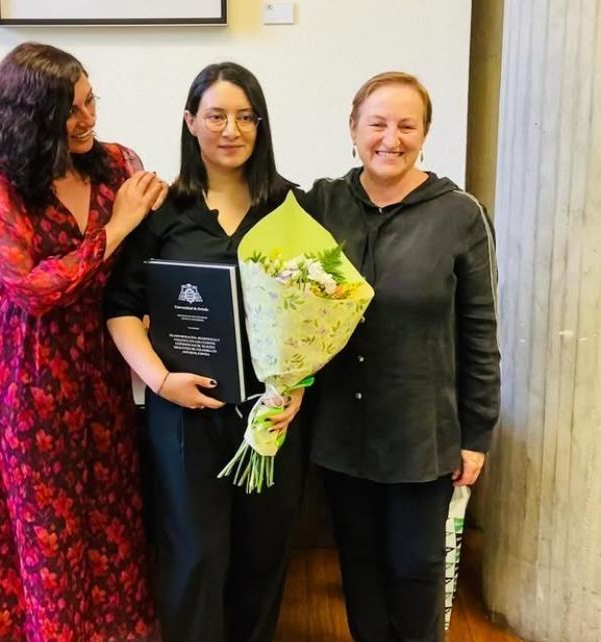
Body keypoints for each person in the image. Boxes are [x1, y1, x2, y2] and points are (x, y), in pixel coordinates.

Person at [0, 42, 166, 641]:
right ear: (30, 115)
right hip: (30, 376)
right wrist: (119, 225)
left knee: (111, 523)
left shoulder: (118, 164)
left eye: (90, 100)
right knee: (46, 531)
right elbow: (32, 289)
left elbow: (155, 258)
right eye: (69, 110)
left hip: (104, 367)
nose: (88, 119)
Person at [104, 62, 305, 642]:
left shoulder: (293, 208)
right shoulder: (162, 212)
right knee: (193, 556)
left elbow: (321, 312)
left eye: (245, 117)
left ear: (260, 126)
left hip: (273, 415)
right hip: (184, 415)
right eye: (216, 115)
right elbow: (119, 308)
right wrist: (163, 382)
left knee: (262, 557)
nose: (231, 129)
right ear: (191, 122)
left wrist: (297, 388)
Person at [304, 71, 500, 642]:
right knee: (359, 569)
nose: (391, 138)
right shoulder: (322, 203)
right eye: (377, 123)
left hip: (423, 435)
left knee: (416, 570)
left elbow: (480, 329)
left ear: (424, 134)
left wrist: (476, 434)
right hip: (342, 431)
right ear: (353, 129)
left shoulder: (461, 214)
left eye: (406, 125)